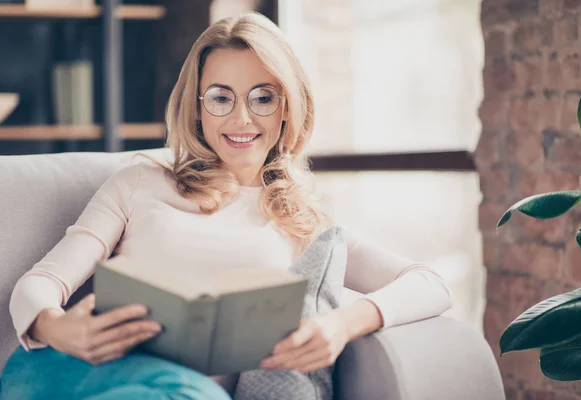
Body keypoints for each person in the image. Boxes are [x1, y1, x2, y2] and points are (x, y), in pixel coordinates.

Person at [0, 12, 451, 400]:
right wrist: (56, 327)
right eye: (220, 98)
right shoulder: (139, 184)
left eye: (263, 97)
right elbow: (41, 281)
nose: (241, 118)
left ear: (287, 108)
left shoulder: (303, 221)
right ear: (197, 109)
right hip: (78, 375)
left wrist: (343, 324)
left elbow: (430, 284)